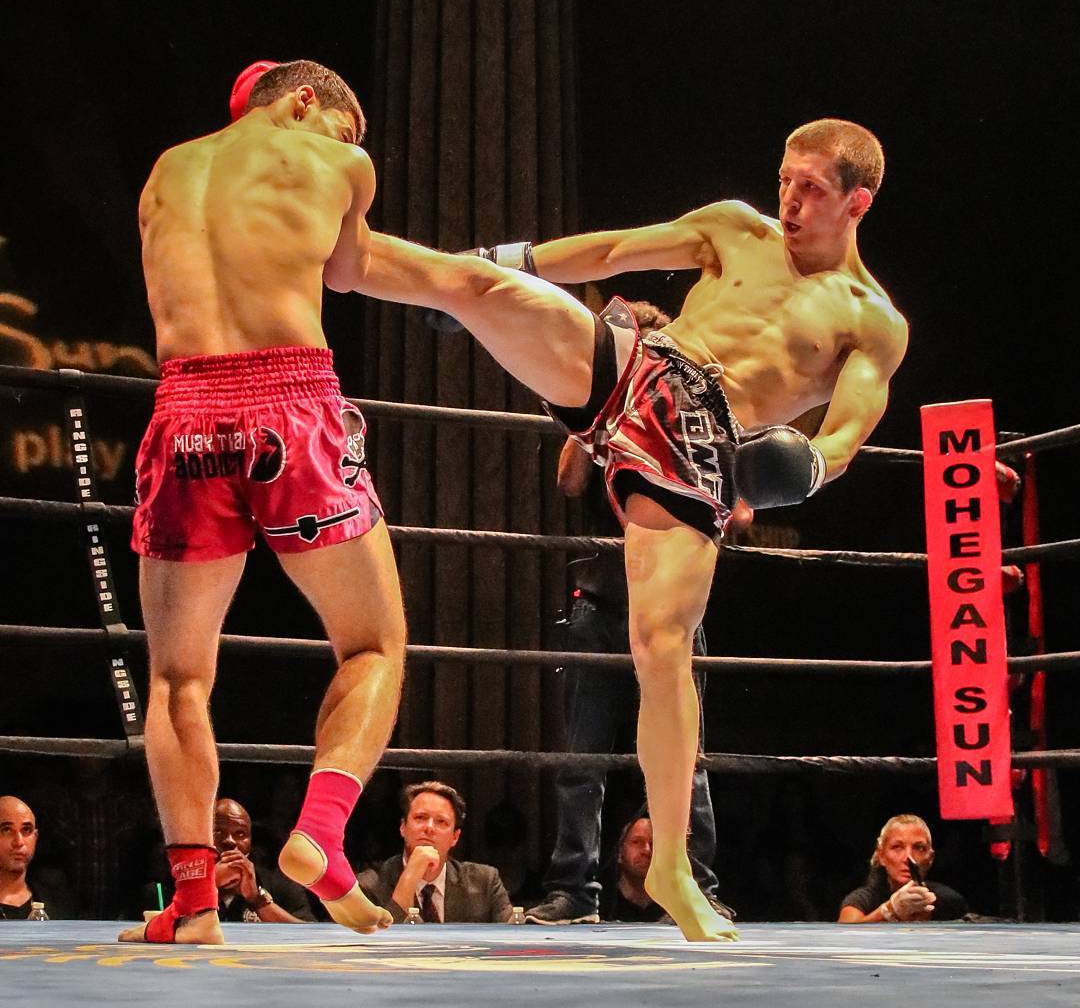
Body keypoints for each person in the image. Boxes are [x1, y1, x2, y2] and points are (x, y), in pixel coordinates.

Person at [354, 118, 905, 941]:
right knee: (481, 283)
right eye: (785, 180)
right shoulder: (735, 228)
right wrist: (517, 258)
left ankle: (673, 866)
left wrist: (805, 468)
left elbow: (846, 433)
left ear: (857, 202)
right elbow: (616, 252)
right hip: (639, 366)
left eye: (812, 189)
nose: (790, 201)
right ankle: (343, 252)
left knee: (661, 649)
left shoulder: (874, 320)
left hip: (702, 442)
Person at [118, 59, 410, 944]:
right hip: (291, 403)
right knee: (374, 642)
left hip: (184, 415)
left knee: (176, 678)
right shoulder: (340, 162)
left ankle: (194, 904)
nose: (347, 146)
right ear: (305, 101)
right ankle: (320, 833)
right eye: (343, 127)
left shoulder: (166, 171)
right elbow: (351, 271)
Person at [526, 300, 736, 926]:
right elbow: (568, 481)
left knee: (685, 752)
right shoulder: (599, 404)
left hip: (672, 600)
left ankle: (694, 884)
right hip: (601, 597)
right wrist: (594, 412)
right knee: (583, 755)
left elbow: (741, 506)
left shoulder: (692, 413)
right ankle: (574, 891)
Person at [358, 781, 513, 923]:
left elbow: (513, 936)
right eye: (420, 818)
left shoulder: (485, 882)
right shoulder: (369, 886)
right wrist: (409, 877)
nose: (430, 828)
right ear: (403, 827)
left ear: (455, 837)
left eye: (441, 822)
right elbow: (381, 940)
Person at [838, 814, 968, 922]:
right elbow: (845, 935)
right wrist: (889, 911)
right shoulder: (862, 899)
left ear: (930, 858)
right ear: (881, 856)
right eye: (897, 847)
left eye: (919, 848)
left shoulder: (949, 901)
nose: (908, 857)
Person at [212, 799, 315, 923]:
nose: (230, 840)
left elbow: (309, 932)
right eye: (217, 831)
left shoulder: (279, 884)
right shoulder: (189, 882)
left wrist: (257, 899)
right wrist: (208, 884)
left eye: (240, 833)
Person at [599, 815, 665, 922]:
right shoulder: (601, 902)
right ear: (619, 852)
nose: (647, 850)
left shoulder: (675, 905)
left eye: (653, 843)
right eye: (637, 842)